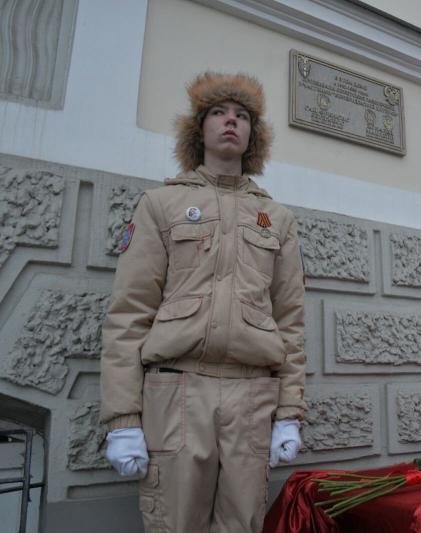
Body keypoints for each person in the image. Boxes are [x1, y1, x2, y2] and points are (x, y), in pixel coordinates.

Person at [99, 72, 307, 532]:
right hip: (176, 393)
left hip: (252, 394)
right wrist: (122, 419)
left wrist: (289, 413)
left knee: (243, 523)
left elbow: (290, 321)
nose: (230, 121)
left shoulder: (278, 219)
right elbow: (129, 315)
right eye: (218, 112)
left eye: (242, 116)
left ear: (254, 135)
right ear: (200, 129)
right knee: (175, 522)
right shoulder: (160, 205)